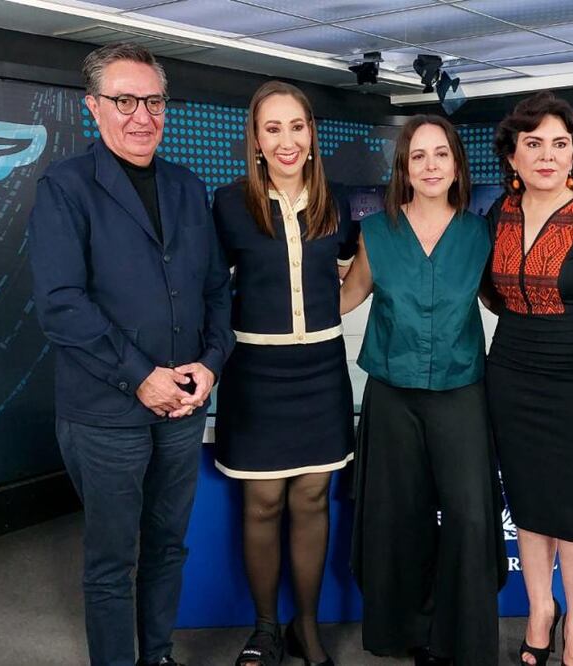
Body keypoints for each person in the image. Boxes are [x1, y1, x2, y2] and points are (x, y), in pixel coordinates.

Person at [27, 43, 234, 666]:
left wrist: (211, 362)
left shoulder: (187, 186)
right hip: (104, 413)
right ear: (95, 107)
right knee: (113, 559)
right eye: (124, 100)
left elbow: (215, 290)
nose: (140, 115)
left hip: (183, 408)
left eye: (152, 100)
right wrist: (140, 376)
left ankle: (159, 655)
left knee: (169, 546)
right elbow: (60, 304)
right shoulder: (64, 188)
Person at [342, 115, 507, 666]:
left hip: (461, 392)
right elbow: (344, 300)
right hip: (392, 394)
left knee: (469, 514)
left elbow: (503, 303)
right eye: (418, 156)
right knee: (395, 515)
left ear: (457, 163)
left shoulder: (480, 234)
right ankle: (405, 632)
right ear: (404, 168)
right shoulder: (376, 233)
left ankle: (458, 636)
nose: (431, 165)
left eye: (441, 154)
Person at [482, 91, 573, 666]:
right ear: (513, 157)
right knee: (530, 504)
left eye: (560, 144)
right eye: (534, 143)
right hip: (511, 376)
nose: (547, 155)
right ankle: (541, 609)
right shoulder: (499, 214)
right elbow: (490, 291)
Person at [211, 81, 357, 666]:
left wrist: (327, 311)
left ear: (311, 134)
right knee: (264, 502)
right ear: (256, 139)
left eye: (296, 126)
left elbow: (352, 275)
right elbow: (211, 292)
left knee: (313, 500)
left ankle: (309, 629)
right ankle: (266, 629)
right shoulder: (228, 203)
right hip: (257, 373)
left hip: (322, 369)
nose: (287, 140)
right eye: (273, 129)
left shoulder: (337, 203)